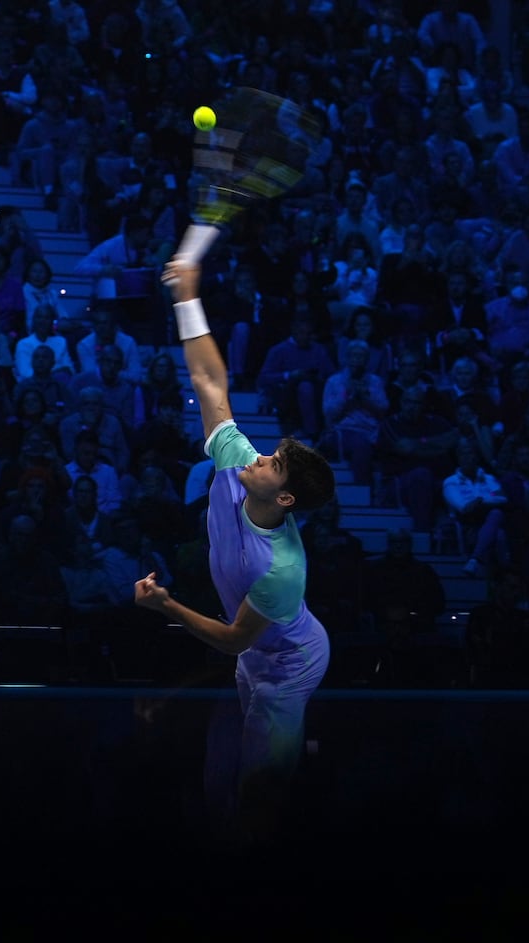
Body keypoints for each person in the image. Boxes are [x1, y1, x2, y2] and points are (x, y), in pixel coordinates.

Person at [134, 242, 337, 844]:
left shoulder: (282, 568)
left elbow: (229, 640)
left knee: (260, 790)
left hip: (291, 663)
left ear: (287, 498)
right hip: (256, 651)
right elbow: (208, 378)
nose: (262, 456)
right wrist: (187, 294)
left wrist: (165, 606)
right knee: (230, 774)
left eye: (274, 462)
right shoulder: (236, 462)